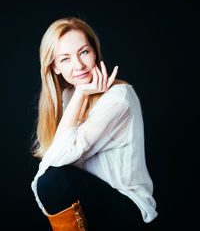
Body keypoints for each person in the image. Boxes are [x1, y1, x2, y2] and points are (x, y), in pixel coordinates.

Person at [31, 17, 158, 230]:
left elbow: (58, 161)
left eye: (83, 52)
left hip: (127, 209)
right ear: (55, 67)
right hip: (91, 204)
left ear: (94, 52)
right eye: (65, 59)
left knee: (53, 181)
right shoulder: (68, 95)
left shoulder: (119, 98)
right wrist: (80, 94)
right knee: (53, 181)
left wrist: (81, 92)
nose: (78, 65)